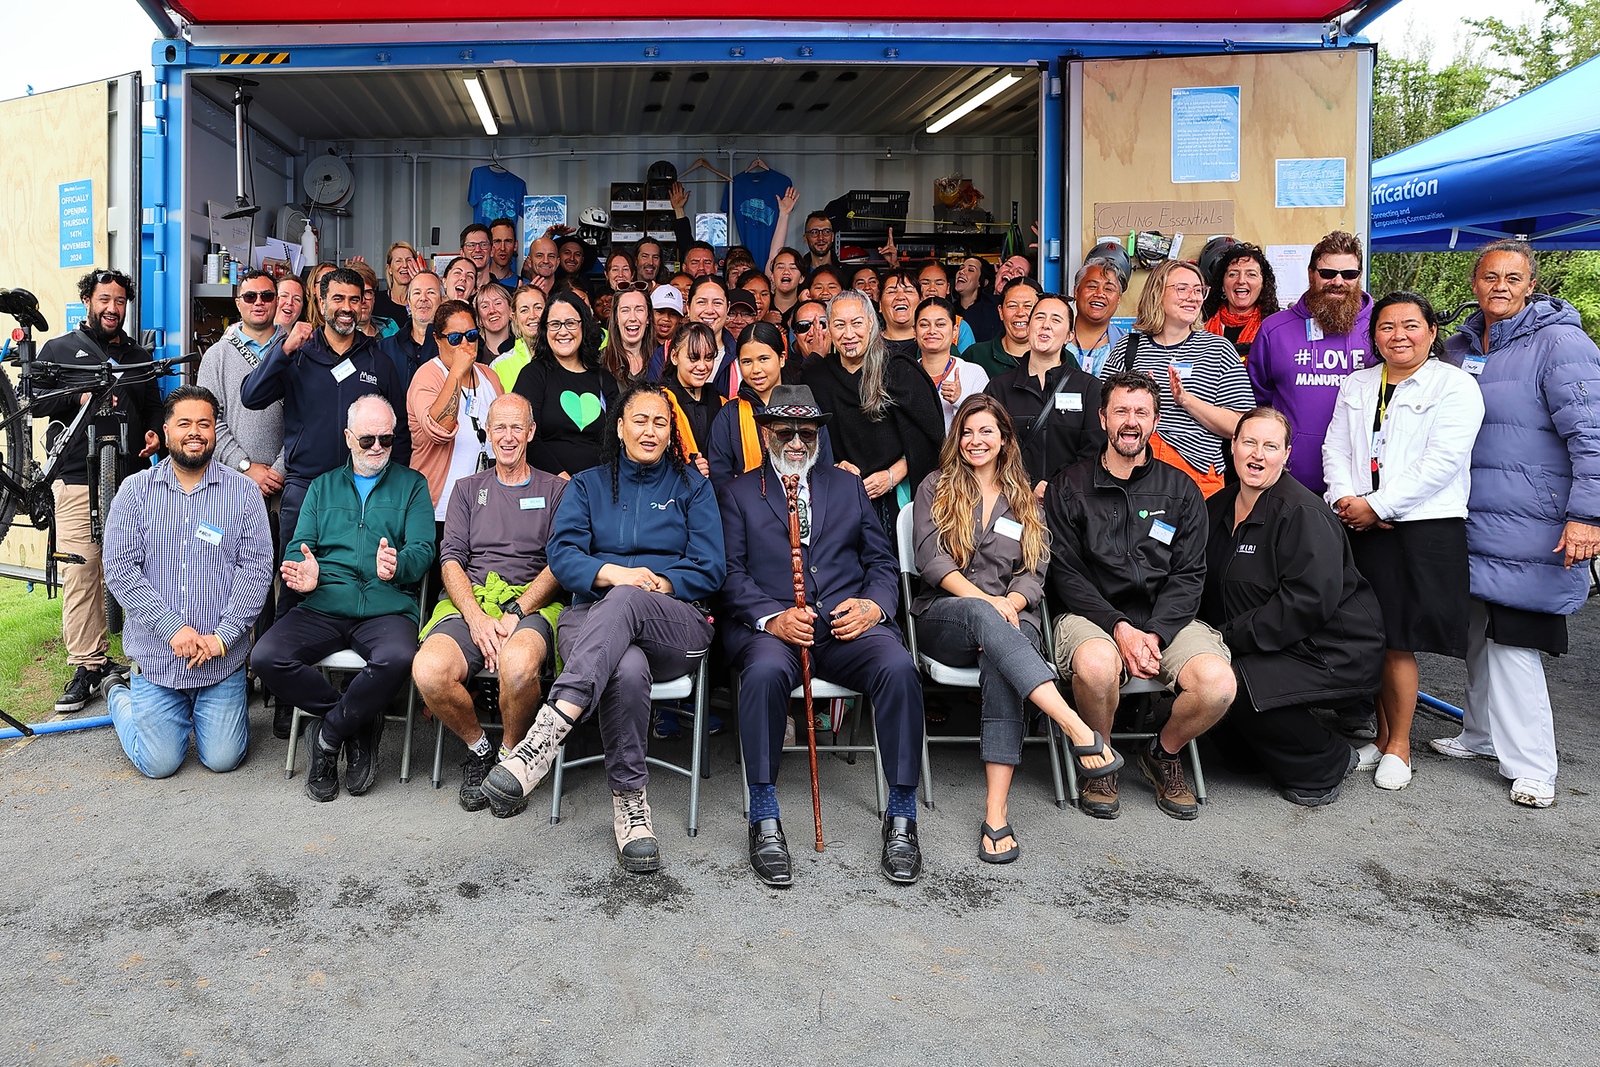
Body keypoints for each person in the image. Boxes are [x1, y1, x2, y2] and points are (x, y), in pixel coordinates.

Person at [481, 383, 725, 874]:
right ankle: (631, 808)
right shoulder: (588, 485)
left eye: (661, 422)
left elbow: (711, 566)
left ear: (671, 432)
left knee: (630, 604)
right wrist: (614, 575)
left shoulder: (691, 486)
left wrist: (657, 582)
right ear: (619, 427)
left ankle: (547, 732)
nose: (650, 431)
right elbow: (563, 556)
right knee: (626, 667)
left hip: (673, 622)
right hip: (590, 618)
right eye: (640, 420)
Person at [719, 385, 925, 886]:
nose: (795, 441)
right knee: (764, 673)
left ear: (818, 435)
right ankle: (764, 817)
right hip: (774, 628)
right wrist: (772, 617)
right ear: (767, 432)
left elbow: (880, 560)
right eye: (785, 431)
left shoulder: (847, 485)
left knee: (899, 669)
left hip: (845, 623)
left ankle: (901, 818)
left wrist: (875, 605)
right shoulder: (740, 492)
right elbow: (728, 574)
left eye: (806, 432)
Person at [1429, 240, 1600, 809]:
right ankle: (1479, 734)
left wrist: (1587, 516)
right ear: (1474, 283)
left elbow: (1592, 436)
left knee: (1514, 642)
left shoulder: (1561, 343)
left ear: (1531, 285)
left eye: (1512, 277)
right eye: (1489, 276)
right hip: (1470, 518)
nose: (1500, 286)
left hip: (1533, 522)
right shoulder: (1457, 347)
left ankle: (1533, 767)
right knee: (1478, 630)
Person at [913, 394, 1119, 861]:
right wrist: (989, 601)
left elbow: (1034, 569)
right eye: (966, 431)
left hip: (1009, 618)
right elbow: (931, 560)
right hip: (946, 617)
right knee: (988, 621)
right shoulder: (936, 486)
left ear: (1005, 438)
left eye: (986, 430)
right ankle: (1075, 726)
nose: (974, 440)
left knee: (1004, 659)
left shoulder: (1024, 497)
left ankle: (996, 812)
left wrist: (1013, 599)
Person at [1045, 371, 1235, 820]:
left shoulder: (1182, 489)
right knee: (1094, 665)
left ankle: (1164, 753)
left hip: (1165, 620)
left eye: (1141, 412)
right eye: (1121, 411)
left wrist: (1156, 632)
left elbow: (1190, 573)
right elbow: (1066, 575)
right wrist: (1119, 628)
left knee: (1218, 685)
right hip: (1091, 615)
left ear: (1154, 419)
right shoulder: (1068, 486)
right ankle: (1100, 757)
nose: (1131, 421)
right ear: (1102, 418)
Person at [1323, 292, 1484, 790]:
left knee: (1399, 642)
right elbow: (1336, 447)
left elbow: (1442, 462)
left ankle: (1401, 745)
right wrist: (1345, 500)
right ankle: (1382, 735)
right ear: (1374, 336)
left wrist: (1381, 505)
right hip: (1361, 524)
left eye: (1410, 325)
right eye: (1387, 327)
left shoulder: (1455, 386)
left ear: (1432, 332)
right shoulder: (1358, 383)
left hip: (1420, 527)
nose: (1398, 335)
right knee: (1374, 638)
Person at [252, 395, 435, 802]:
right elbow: (299, 546)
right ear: (349, 437)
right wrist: (305, 572)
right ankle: (358, 721)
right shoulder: (322, 486)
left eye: (385, 440)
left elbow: (424, 550)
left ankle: (330, 734)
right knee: (265, 658)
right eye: (367, 438)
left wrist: (399, 564)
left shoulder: (412, 484)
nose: (376, 448)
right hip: (324, 602)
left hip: (386, 606)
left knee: (400, 658)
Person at [1202, 408, 1385, 805]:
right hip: (1268, 642)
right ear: (1232, 446)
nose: (1258, 454)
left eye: (1271, 446)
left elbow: (1305, 603)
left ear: (1286, 455)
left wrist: (1225, 639)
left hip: (1331, 648)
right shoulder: (1218, 506)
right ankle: (1259, 751)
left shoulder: (1302, 513)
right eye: (1249, 442)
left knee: (1233, 683)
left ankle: (1328, 762)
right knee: (1218, 708)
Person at [102, 385, 273, 778]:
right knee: (159, 764)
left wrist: (223, 637)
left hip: (219, 662)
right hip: (158, 659)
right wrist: (171, 628)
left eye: (204, 424)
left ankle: (197, 712)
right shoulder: (135, 491)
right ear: (166, 432)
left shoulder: (244, 493)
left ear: (216, 431)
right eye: (184, 424)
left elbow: (257, 568)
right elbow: (120, 568)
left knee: (223, 758)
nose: (195, 432)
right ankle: (118, 697)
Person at [411, 393, 568, 810]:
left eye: (518, 426)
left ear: (531, 432)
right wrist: (478, 618)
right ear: (487, 432)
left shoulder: (556, 489)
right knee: (428, 671)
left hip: (532, 602)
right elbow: (449, 560)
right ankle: (479, 747)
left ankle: (510, 758)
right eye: (500, 427)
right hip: (471, 602)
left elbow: (560, 563)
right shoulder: (466, 490)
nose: (509, 436)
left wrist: (517, 612)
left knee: (517, 670)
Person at [241, 265, 412, 611]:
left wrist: (392, 486)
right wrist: (283, 349)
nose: (346, 307)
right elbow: (251, 397)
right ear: (321, 303)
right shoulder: (297, 353)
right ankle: (284, 658)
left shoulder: (379, 361)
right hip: (305, 487)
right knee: (295, 581)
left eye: (355, 299)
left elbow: (401, 433)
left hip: (364, 490)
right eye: (337, 299)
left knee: (360, 578)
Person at [36, 268, 162, 712]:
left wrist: (154, 434)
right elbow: (37, 402)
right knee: (83, 568)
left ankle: (140, 658)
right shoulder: (59, 349)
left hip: (131, 477)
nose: (113, 308)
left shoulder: (137, 354)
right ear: (88, 300)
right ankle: (87, 664)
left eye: (121, 301)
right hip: (74, 476)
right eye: (105, 299)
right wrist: (78, 394)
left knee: (137, 566)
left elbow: (153, 407)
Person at [195, 270, 287, 690]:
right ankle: (237, 668)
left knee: (283, 579)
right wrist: (248, 468)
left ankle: (272, 671)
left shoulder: (294, 347)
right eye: (249, 295)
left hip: (288, 483)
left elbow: (307, 418)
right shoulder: (217, 356)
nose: (259, 302)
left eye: (267, 295)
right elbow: (208, 420)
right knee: (239, 575)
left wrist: (281, 468)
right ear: (237, 302)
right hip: (235, 485)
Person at [1103, 259, 1253, 498]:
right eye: (1182, 289)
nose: (1192, 297)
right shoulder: (1128, 348)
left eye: (1198, 290)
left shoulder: (1218, 349)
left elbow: (1241, 425)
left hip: (1196, 476)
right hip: (1133, 470)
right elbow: (1104, 414)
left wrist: (1185, 400)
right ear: (1157, 293)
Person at [803, 290, 944, 531]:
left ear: (871, 322)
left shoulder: (899, 370)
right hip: (838, 497)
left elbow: (931, 437)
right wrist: (834, 466)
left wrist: (892, 475)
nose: (849, 334)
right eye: (839, 325)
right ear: (828, 328)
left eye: (857, 323)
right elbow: (806, 440)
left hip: (899, 495)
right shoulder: (817, 378)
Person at [1247, 231, 1372, 493]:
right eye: (1327, 273)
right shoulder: (1275, 329)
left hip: (1361, 483)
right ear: (1311, 273)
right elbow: (1257, 402)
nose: (1338, 282)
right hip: (1290, 481)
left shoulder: (1380, 329)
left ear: (1359, 276)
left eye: (1349, 274)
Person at [983, 293, 1106, 496]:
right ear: (1029, 327)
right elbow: (989, 447)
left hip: (1070, 505)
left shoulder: (1088, 388)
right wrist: (1028, 485)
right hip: (1012, 501)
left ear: (1069, 336)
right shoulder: (999, 387)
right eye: (1039, 317)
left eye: (1056, 320)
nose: (1045, 325)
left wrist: (1056, 489)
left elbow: (1095, 453)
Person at [407, 300, 504, 521]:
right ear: (437, 340)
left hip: (487, 508)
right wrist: (457, 372)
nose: (465, 344)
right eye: (454, 338)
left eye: (471, 335)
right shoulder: (427, 376)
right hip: (440, 510)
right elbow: (439, 429)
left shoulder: (489, 376)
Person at [707, 321, 834, 489]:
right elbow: (720, 477)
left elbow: (824, 467)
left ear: (782, 359)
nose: (756, 369)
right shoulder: (730, 415)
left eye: (763, 359)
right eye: (746, 361)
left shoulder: (806, 408)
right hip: (746, 510)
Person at [512, 291, 619, 479]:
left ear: (584, 326)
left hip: (599, 488)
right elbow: (526, 437)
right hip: (548, 488)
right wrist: (565, 482)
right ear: (545, 329)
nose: (563, 331)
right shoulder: (533, 375)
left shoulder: (604, 379)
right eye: (554, 324)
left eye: (570, 323)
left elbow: (616, 441)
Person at [648, 276, 738, 396]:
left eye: (717, 303)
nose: (710, 310)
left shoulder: (739, 355)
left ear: (728, 308)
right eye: (702, 302)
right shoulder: (664, 354)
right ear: (689, 308)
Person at [915, 296, 989, 431]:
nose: (932, 330)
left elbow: (986, 426)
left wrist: (959, 401)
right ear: (914, 331)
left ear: (955, 331)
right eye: (924, 324)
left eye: (940, 324)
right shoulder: (905, 374)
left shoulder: (973, 373)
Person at [660, 322, 723, 476]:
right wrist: (688, 470)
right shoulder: (660, 401)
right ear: (674, 357)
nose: (702, 366)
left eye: (708, 358)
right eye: (693, 358)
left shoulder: (721, 402)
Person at [1201, 242, 1279, 359]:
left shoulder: (1275, 328)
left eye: (1251, 274)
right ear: (1222, 284)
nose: (1241, 280)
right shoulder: (1200, 324)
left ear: (1263, 284)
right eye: (1233, 274)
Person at [961, 277, 1040, 378]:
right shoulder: (976, 356)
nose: (1020, 313)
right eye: (1012, 306)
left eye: (1028, 306)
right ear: (1001, 312)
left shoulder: (1059, 358)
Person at [1064, 259, 1127, 378]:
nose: (1099, 294)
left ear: (1119, 298)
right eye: (1092, 286)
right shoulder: (1054, 335)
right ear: (1076, 291)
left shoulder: (1127, 346)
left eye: (1108, 289)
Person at [379, 271, 442, 390]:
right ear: (409, 302)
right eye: (417, 293)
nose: (423, 298)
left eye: (431, 292)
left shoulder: (452, 345)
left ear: (442, 300)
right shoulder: (385, 348)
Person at [490, 283, 546, 391]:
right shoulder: (499, 366)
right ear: (514, 316)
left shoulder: (563, 358)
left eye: (538, 308)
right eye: (524, 310)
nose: (532, 316)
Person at [914, 263, 977, 351]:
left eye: (939, 283)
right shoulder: (906, 320)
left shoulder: (960, 326)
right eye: (925, 283)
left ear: (948, 288)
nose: (932, 288)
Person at [602, 287, 653, 389]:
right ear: (616, 318)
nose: (633, 318)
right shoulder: (601, 361)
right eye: (625, 310)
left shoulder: (662, 359)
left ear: (648, 318)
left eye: (639, 310)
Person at [953, 256, 1001, 342]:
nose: (961, 272)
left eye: (970, 270)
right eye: (961, 268)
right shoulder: (949, 310)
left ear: (983, 282)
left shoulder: (991, 312)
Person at [347, 259, 396, 340]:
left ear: (374, 297)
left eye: (367, 292)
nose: (362, 300)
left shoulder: (392, 334)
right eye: (356, 295)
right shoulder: (334, 340)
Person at [877, 269, 920, 361]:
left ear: (921, 302)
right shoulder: (866, 346)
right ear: (880, 305)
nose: (900, 297)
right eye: (891, 291)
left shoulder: (936, 343)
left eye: (908, 291)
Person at [472, 282, 516, 363]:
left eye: (497, 303)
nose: (492, 310)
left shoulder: (523, 351)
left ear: (510, 311)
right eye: (485, 306)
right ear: (480, 319)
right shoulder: (473, 356)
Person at [376, 241, 418, 324]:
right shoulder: (376, 301)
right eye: (398, 261)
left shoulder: (421, 302)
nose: (405, 265)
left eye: (409, 260)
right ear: (389, 269)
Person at [770, 247, 806, 319]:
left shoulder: (805, 309)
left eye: (793, 268)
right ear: (772, 276)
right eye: (780, 267)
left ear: (801, 278)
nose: (786, 272)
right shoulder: (765, 306)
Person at [488, 218, 520, 286]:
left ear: (515, 245)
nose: (502, 248)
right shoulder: (476, 284)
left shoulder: (525, 286)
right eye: (497, 241)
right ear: (489, 246)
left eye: (508, 241)